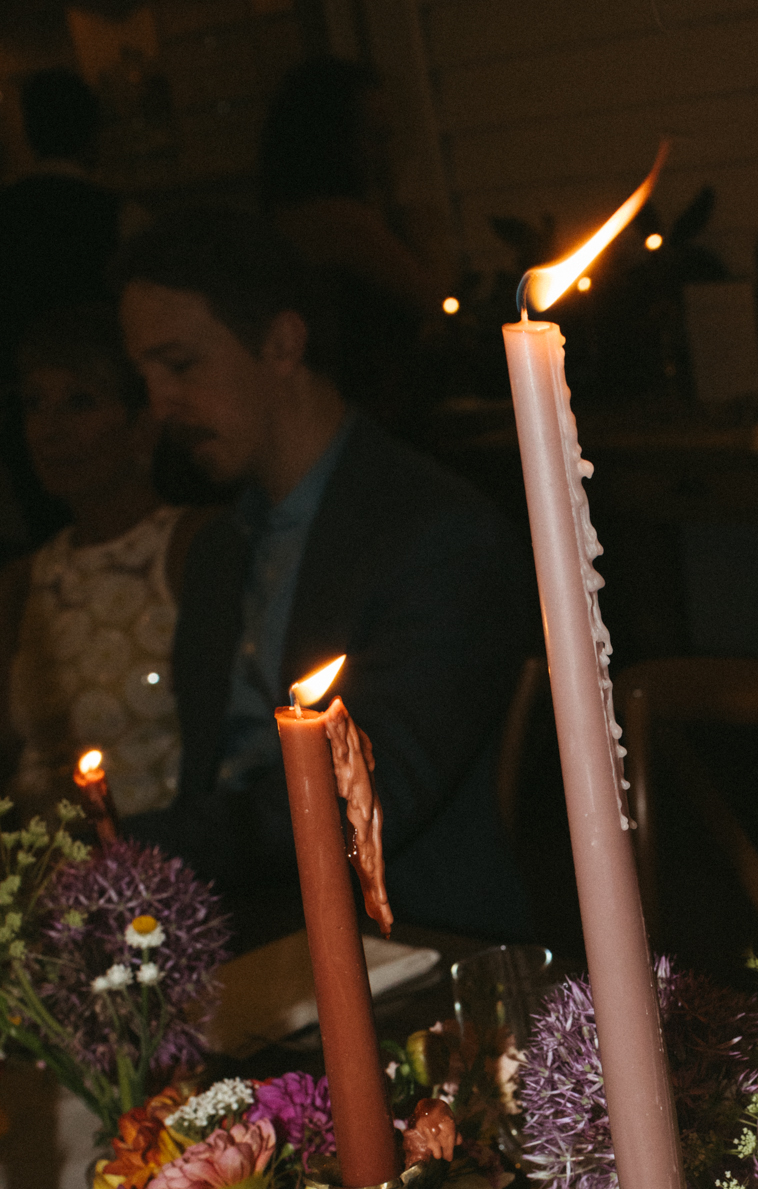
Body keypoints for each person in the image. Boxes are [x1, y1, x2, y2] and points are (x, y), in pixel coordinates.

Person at [113, 207, 532, 944]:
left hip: (407, 941)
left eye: (179, 366)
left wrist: (129, 852)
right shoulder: (219, 549)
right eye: (143, 375)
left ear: (282, 343)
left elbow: (361, 796)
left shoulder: (434, 532)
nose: (158, 405)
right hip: (243, 929)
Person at [0, 303, 206, 818]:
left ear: (144, 424)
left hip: (164, 853)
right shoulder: (23, 582)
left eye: (79, 403)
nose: (48, 430)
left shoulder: (191, 546)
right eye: (34, 404)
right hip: (47, 857)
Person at [257, 58, 438, 428]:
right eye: (375, 137)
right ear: (335, 142)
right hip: (370, 415)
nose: (387, 153)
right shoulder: (337, 222)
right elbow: (434, 300)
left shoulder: (287, 217)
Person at [0, 70, 130, 545]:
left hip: (20, 406)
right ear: (93, 133)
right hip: (103, 400)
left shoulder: (8, 212)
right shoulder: (115, 214)